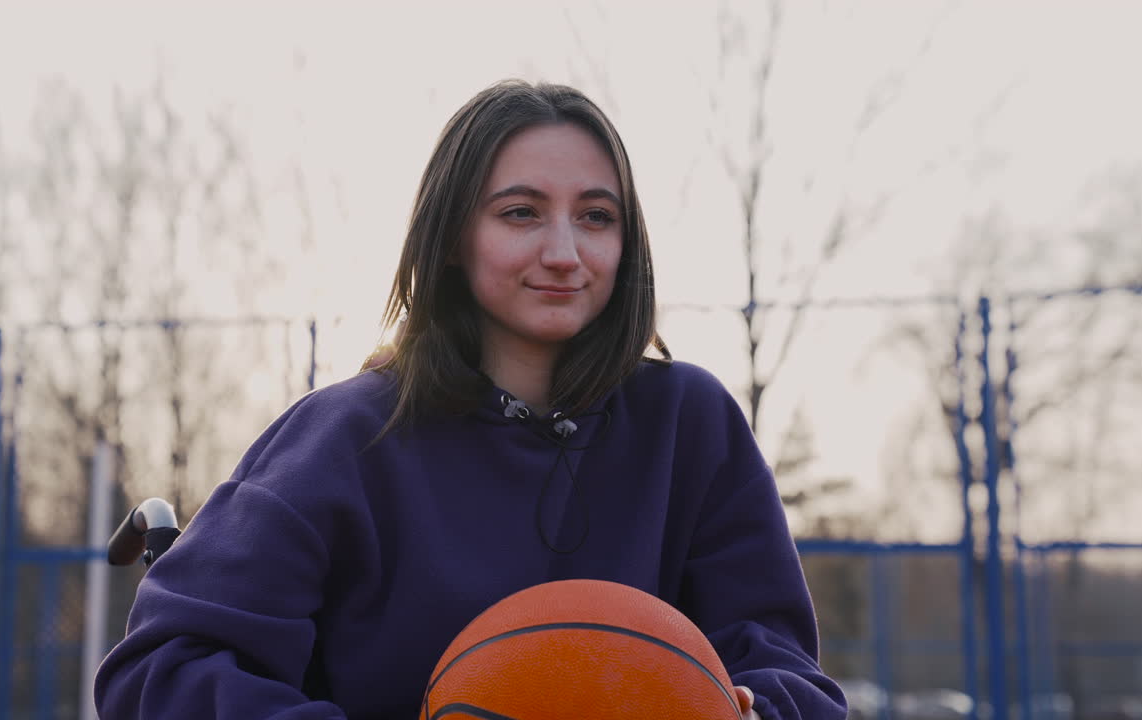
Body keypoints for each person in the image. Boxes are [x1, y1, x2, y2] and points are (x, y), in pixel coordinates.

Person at [94, 79, 847, 720]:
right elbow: (163, 667)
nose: (564, 251)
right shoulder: (348, 436)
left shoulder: (691, 424)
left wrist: (753, 708)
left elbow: (784, 669)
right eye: (520, 212)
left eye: (596, 216)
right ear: (453, 237)